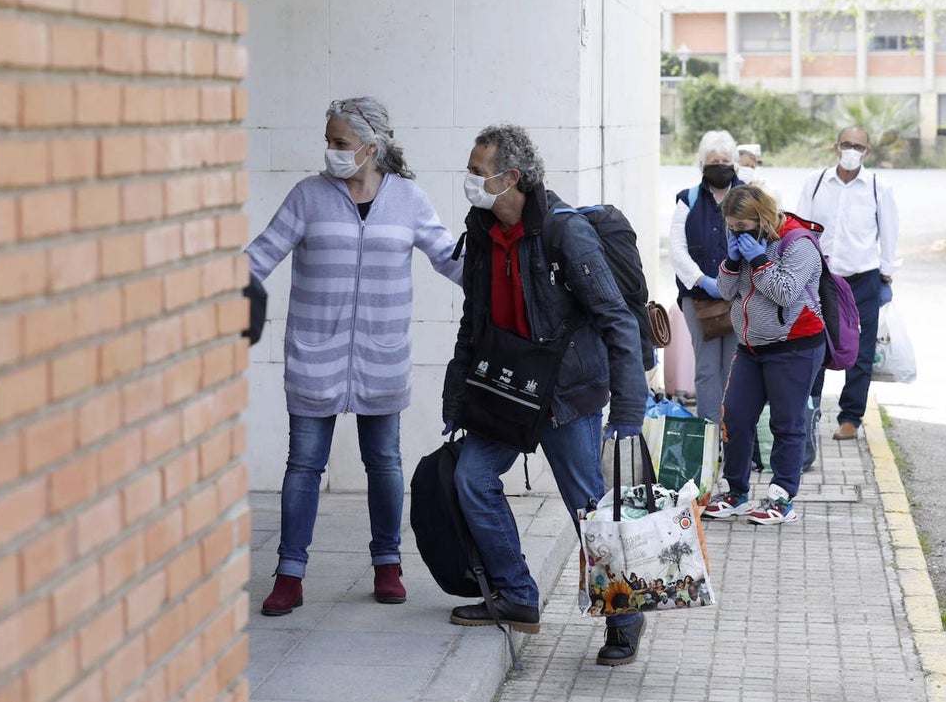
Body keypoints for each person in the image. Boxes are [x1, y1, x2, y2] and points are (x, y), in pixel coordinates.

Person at [246, 96, 463, 616]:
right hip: (315, 356)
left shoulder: (408, 199)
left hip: (380, 357)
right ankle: (289, 573)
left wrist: (509, 265)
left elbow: (450, 259)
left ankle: (388, 565)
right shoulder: (308, 197)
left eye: (340, 143)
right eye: (329, 142)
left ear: (372, 146)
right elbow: (259, 255)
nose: (331, 152)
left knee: (384, 463)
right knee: (304, 464)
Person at [441, 124, 649, 665]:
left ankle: (624, 614)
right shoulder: (483, 230)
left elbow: (617, 321)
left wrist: (627, 410)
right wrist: (456, 397)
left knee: (587, 508)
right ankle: (516, 595)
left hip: (565, 394)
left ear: (511, 177)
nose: (468, 180)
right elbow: (473, 320)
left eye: (476, 170)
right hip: (508, 388)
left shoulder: (565, 234)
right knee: (471, 476)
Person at [704, 185, 826, 525]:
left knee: (786, 423)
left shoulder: (798, 242)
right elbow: (726, 291)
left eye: (743, 226)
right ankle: (735, 490)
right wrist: (732, 260)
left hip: (794, 346)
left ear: (761, 217)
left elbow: (786, 293)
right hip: (751, 346)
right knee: (736, 417)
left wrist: (759, 259)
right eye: (732, 227)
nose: (738, 233)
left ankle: (782, 495)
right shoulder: (742, 245)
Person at [795, 126, 899, 443]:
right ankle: (808, 410)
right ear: (836, 147)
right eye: (847, 144)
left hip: (863, 280)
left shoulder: (878, 188)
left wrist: (885, 274)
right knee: (815, 345)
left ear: (867, 152)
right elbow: (798, 228)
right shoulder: (815, 184)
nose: (852, 150)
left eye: (859, 146)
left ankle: (851, 418)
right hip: (822, 279)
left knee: (860, 353)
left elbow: (889, 234)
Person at [669, 130, 745, 423]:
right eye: (713, 160)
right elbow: (677, 250)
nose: (720, 165)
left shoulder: (749, 195)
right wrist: (703, 281)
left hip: (740, 298)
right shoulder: (688, 199)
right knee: (707, 368)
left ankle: (735, 436)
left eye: (725, 160)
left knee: (736, 367)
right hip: (700, 300)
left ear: (735, 164)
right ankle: (711, 434)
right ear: (702, 164)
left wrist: (733, 283)